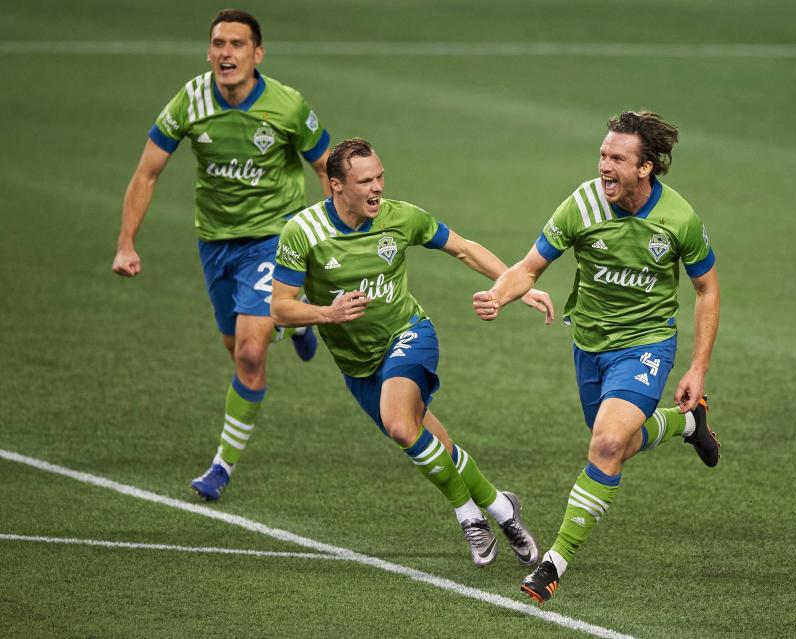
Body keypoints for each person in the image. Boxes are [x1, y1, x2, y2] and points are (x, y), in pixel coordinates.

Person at [473, 110, 721, 603]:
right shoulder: (581, 205)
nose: (604, 166)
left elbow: (707, 290)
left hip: (648, 344)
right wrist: (501, 293)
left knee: (606, 445)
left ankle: (554, 562)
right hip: (590, 346)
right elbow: (531, 266)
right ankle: (687, 426)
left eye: (617, 159)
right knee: (617, 448)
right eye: (602, 155)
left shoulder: (678, 219)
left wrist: (697, 366)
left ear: (645, 167)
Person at [271, 137, 554, 567]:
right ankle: (499, 507)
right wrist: (327, 314)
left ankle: (466, 516)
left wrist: (515, 286)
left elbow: (464, 247)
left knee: (402, 427)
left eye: (380, 176)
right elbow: (280, 308)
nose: (377, 188)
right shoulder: (303, 233)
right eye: (365, 180)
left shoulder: (400, 218)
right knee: (432, 442)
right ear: (335, 186)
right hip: (356, 363)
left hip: (408, 335)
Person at [111, 9, 331, 501]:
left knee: (252, 354)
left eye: (236, 44)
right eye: (218, 44)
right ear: (209, 51)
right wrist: (126, 243)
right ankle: (296, 321)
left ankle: (220, 468)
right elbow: (147, 173)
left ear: (257, 54)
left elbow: (326, 166)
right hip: (215, 242)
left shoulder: (288, 106)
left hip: (273, 237)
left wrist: (324, 232)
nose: (225, 53)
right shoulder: (189, 102)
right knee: (236, 351)